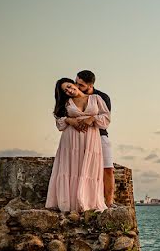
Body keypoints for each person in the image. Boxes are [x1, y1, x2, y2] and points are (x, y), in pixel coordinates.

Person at [45, 78, 110, 213]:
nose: (69, 90)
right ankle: (70, 203)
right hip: (71, 140)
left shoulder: (96, 98)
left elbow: (106, 118)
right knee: (71, 169)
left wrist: (92, 118)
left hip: (91, 138)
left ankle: (88, 201)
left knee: (89, 169)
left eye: (69, 86)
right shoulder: (66, 103)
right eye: (65, 90)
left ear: (74, 84)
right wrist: (69, 120)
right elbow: (59, 123)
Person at [74, 70, 114, 206]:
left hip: (100, 134)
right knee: (80, 169)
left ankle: (109, 202)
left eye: (81, 85)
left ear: (90, 85)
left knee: (108, 168)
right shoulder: (72, 96)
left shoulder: (102, 97)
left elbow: (106, 118)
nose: (77, 87)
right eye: (76, 83)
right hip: (79, 136)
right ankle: (84, 201)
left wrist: (92, 118)